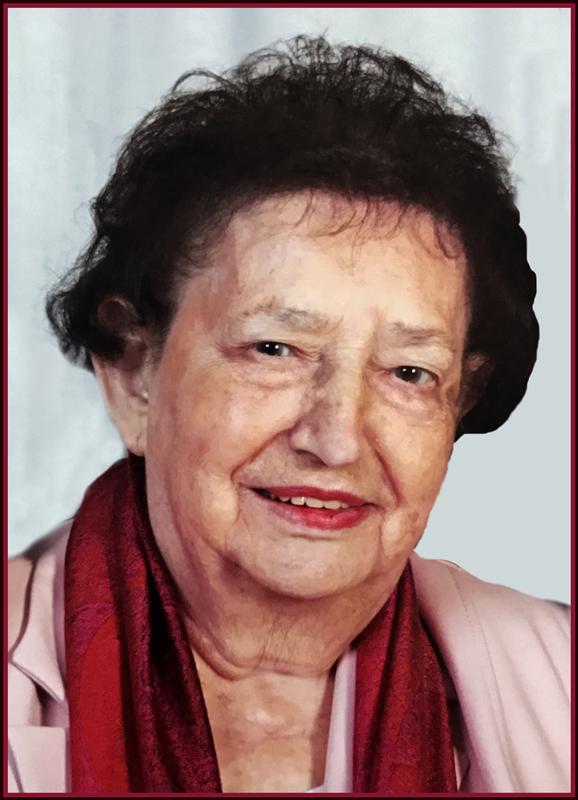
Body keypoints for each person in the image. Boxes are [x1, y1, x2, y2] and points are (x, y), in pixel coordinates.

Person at [8, 35, 570, 794]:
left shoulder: (558, 677)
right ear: (135, 372)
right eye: (275, 349)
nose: (336, 439)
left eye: (409, 372)